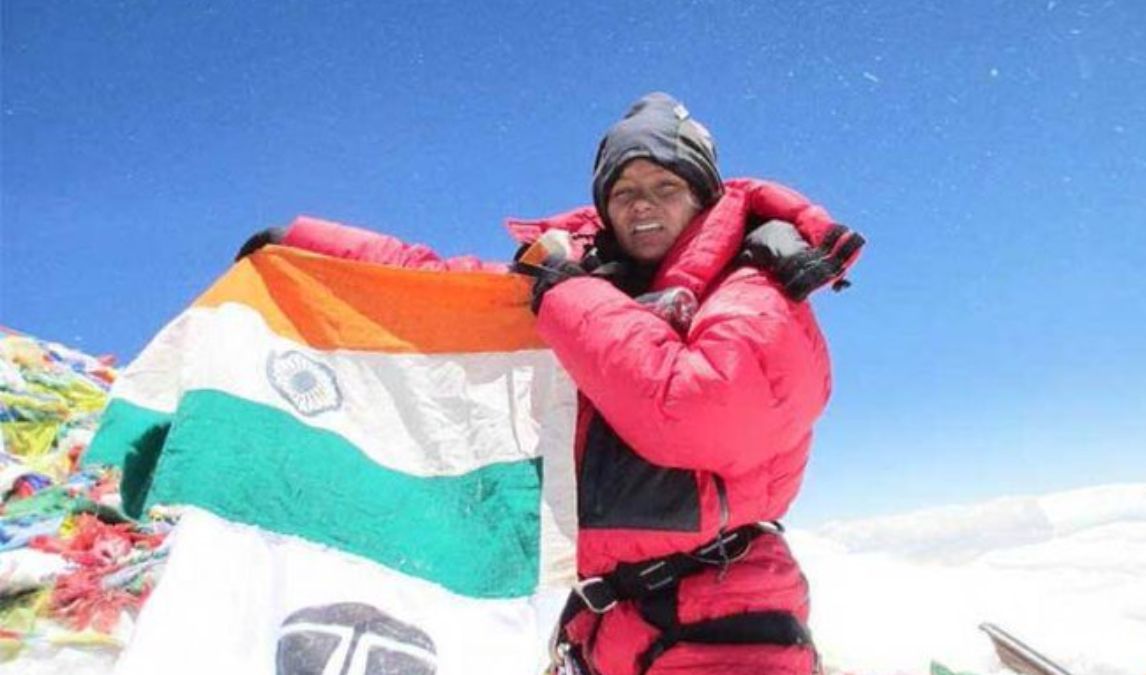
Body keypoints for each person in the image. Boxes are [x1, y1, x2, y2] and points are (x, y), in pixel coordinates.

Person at [238, 92, 863, 674]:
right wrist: (310, 252)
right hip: (607, 624)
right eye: (622, 192)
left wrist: (568, 294)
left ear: (703, 195)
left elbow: (698, 411)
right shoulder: (586, 286)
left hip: (724, 628)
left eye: (665, 186)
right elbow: (447, 293)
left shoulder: (755, 288)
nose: (641, 204)